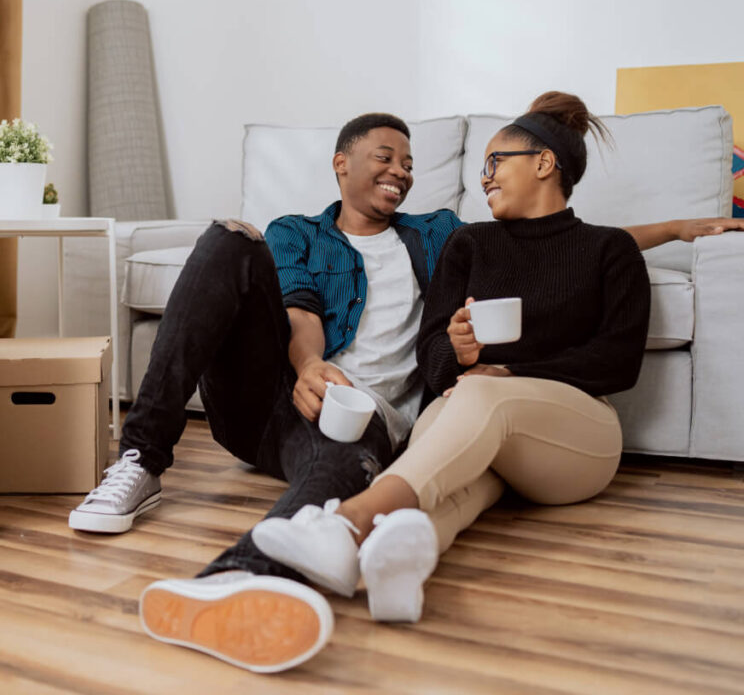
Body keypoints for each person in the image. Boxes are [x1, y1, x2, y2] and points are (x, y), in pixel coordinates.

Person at [68, 103, 740, 674]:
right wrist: (310, 366)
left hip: (367, 426)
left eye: (411, 164)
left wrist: (680, 228)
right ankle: (139, 458)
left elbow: (565, 245)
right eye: (386, 157)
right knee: (226, 239)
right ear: (342, 163)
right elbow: (303, 309)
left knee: (355, 452)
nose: (402, 173)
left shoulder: (440, 235)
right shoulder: (301, 233)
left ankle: (242, 578)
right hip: (283, 397)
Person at [250, 92, 740, 641]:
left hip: (574, 439)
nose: (482, 179)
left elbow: (617, 362)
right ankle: (395, 569)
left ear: (543, 163)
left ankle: (347, 522)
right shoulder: (467, 245)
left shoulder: (609, 251)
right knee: (451, 450)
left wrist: (511, 376)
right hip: (477, 422)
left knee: (476, 396)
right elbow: (433, 357)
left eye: (493, 163)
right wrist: (456, 353)